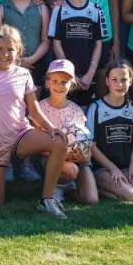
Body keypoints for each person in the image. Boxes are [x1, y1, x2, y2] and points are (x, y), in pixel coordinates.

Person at [0, 25, 70, 218]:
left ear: (18, 51)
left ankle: (47, 199)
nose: (5, 54)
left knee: (59, 143)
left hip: (20, 135)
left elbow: (34, 109)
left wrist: (51, 127)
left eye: (10, 49)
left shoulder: (23, 74)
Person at [87, 59, 133, 201]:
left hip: (126, 168)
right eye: (114, 80)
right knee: (130, 195)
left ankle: (117, 188)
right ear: (107, 81)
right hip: (103, 169)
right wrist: (112, 168)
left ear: (130, 81)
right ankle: (96, 187)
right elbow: (92, 147)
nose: (119, 84)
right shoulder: (96, 108)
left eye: (124, 80)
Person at [38, 60, 99, 206]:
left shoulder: (76, 110)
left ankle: (70, 190)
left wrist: (84, 157)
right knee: (71, 170)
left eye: (64, 82)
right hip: (51, 159)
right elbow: (37, 144)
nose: (59, 85)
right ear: (47, 82)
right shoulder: (40, 109)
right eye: (55, 81)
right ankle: (57, 186)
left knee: (91, 200)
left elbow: (85, 140)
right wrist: (61, 154)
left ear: (71, 85)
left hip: (78, 160)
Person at [48, 0, 104, 107]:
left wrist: (91, 72)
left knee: (85, 113)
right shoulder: (59, 9)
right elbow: (56, 43)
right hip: (64, 77)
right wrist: (69, 73)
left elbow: (98, 44)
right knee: (63, 111)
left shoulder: (96, 10)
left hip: (87, 77)